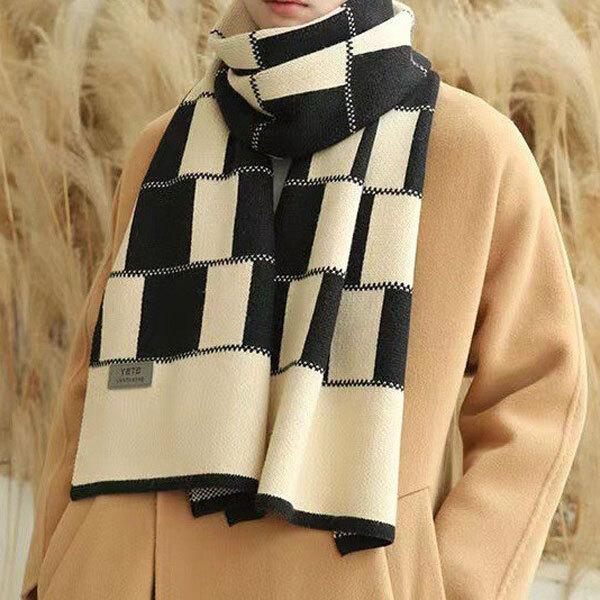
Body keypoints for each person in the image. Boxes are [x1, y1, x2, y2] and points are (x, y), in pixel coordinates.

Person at [21, 0, 587, 598]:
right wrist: (50, 570)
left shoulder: (470, 150)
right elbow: (89, 384)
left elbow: (538, 388)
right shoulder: (161, 147)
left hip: (346, 572)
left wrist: (455, 582)